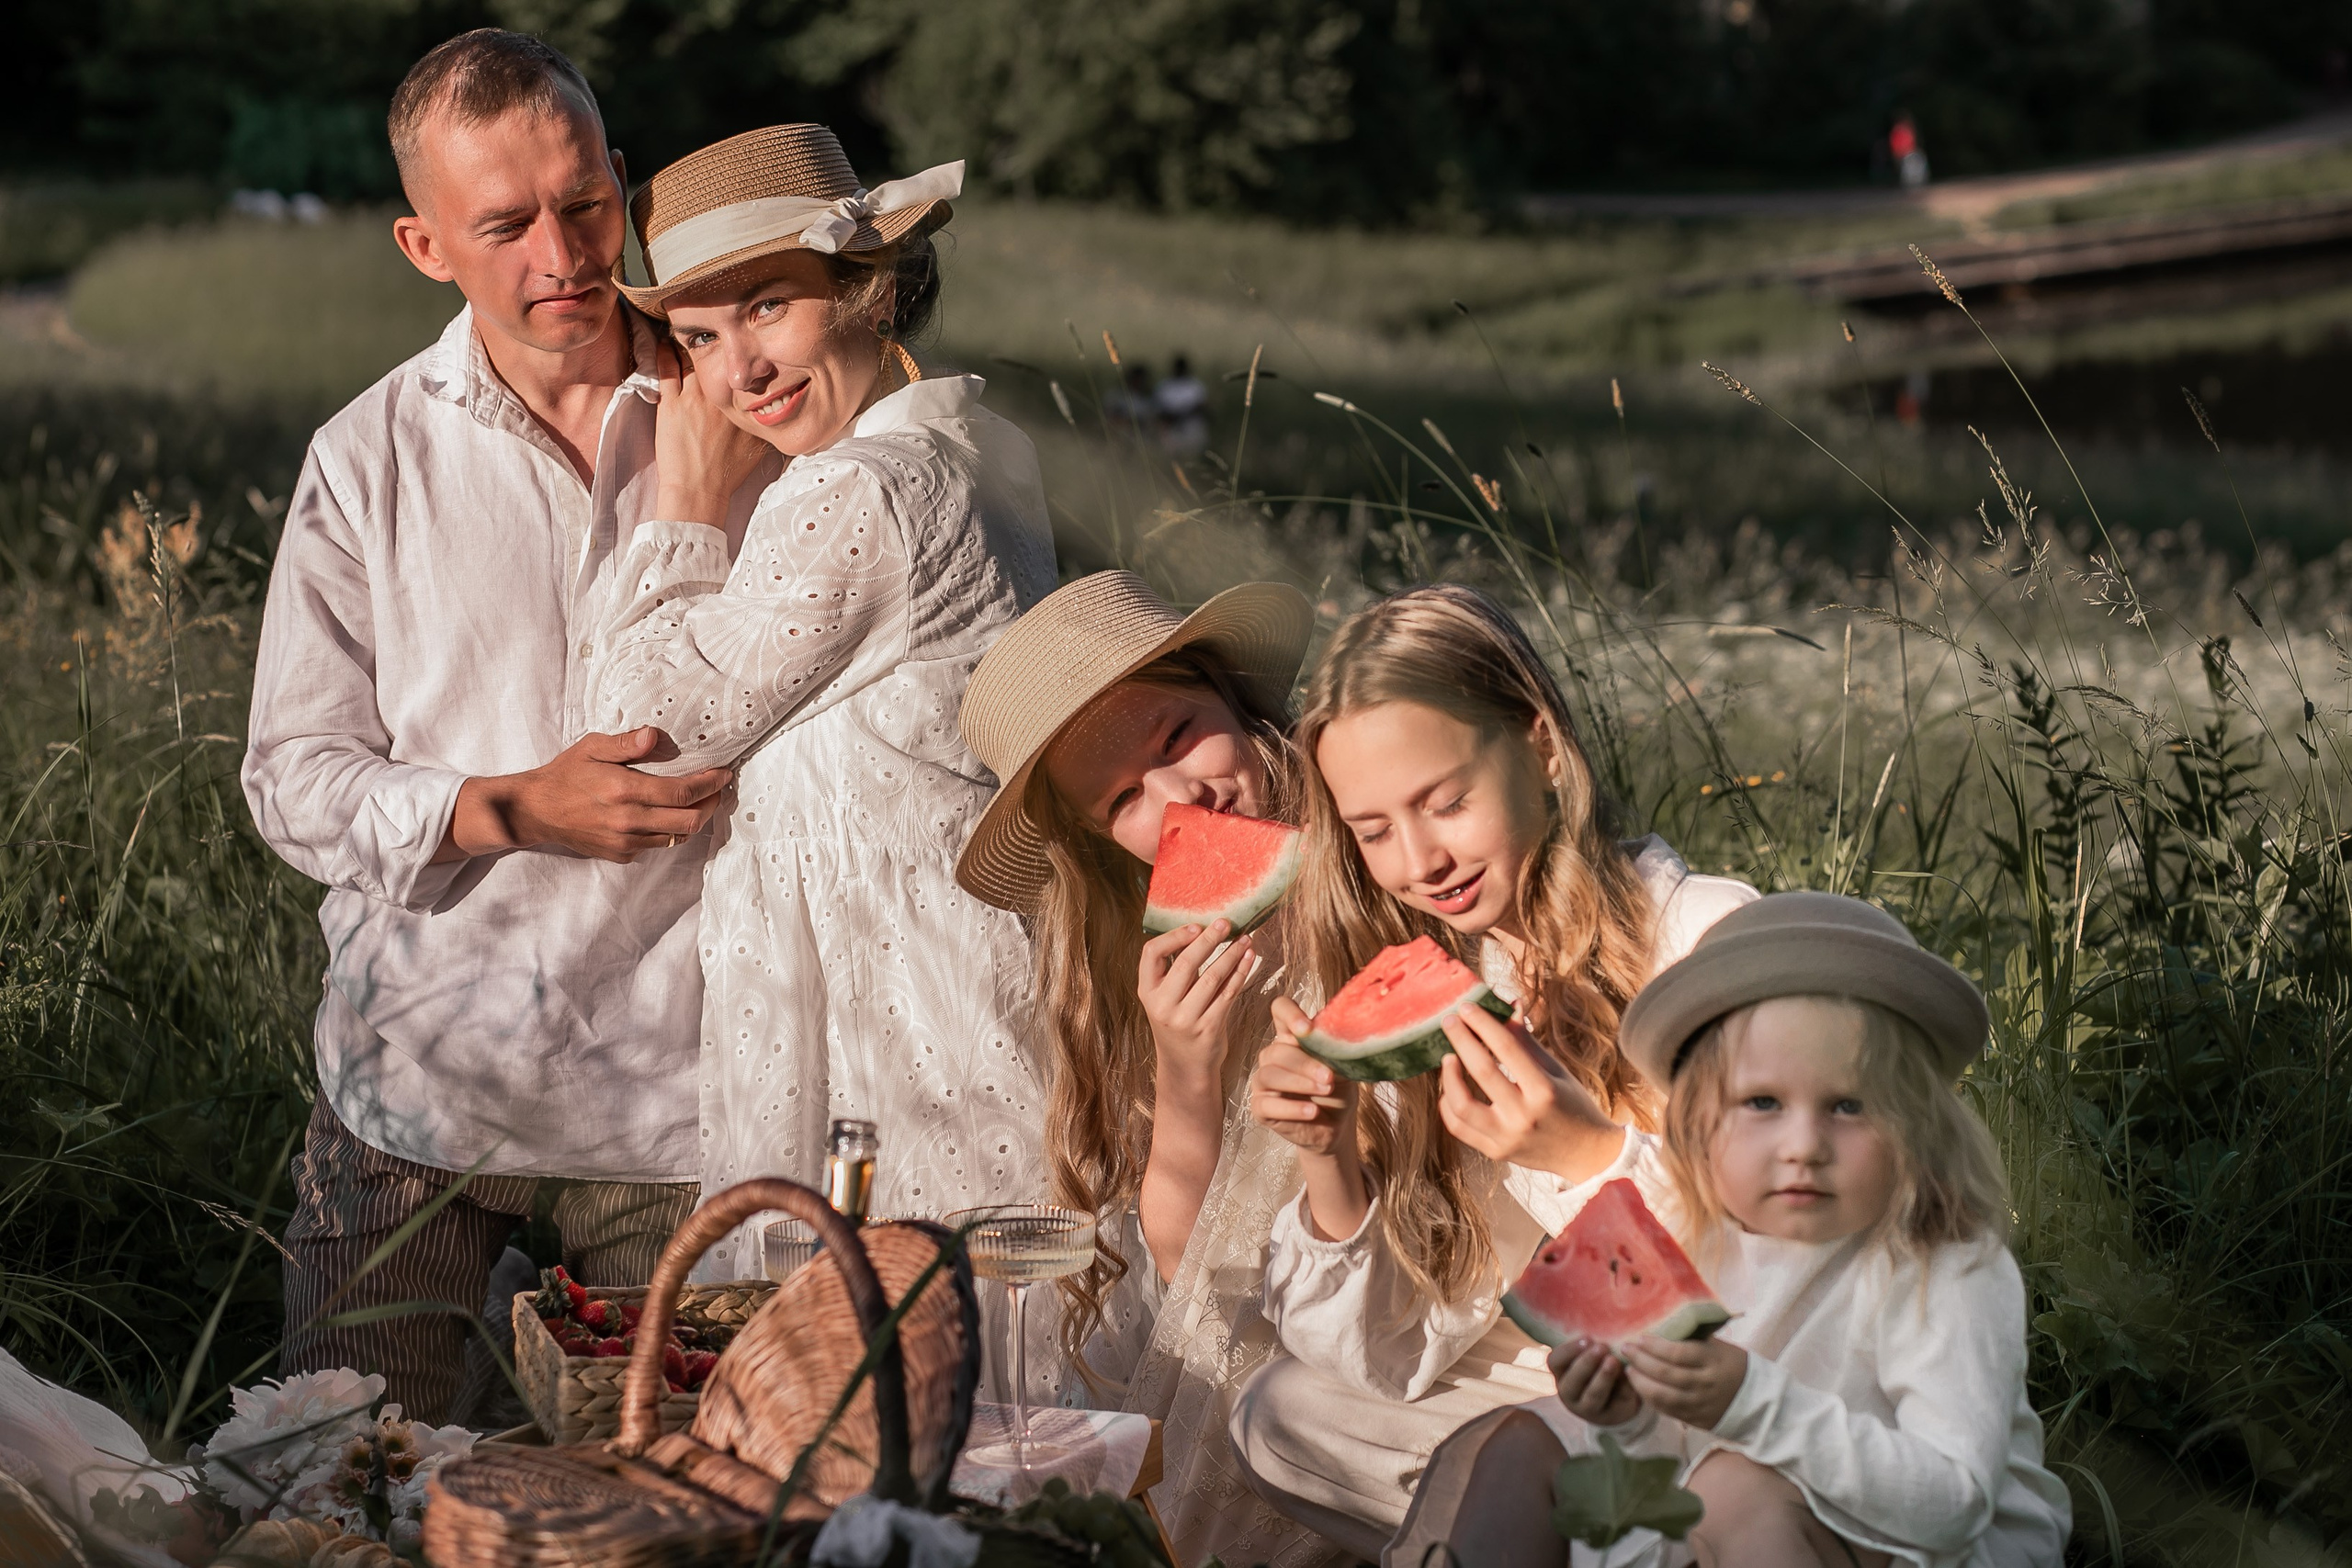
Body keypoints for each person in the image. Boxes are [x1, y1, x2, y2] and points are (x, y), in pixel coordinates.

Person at [243, 28, 775, 1426]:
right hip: (417, 1075)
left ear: (624, 182)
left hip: (680, 1086)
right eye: (507, 223)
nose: (564, 252)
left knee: (683, 1495)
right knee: (343, 1474)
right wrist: (508, 805)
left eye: (587, 201)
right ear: (427, 245)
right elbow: (292, 780)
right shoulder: (365, 459)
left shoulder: (748, 408)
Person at [584, 122, 1057, 1282]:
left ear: (869, 288)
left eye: (765, 308)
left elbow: (643, 736)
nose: (737, 372)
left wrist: (686, 506)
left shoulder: (853, 491)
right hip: (961, 956)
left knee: (883, 1347)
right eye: (698, 335)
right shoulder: (981, 441)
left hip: (884, 1013)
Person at [1231, 584, 1757, 1556]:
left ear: (1541, 749)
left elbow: (1786, 1272)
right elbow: (1396, 1356)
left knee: (1502, 1463)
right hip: (1550, 1372)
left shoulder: (1706, 941)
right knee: (1280, 1413)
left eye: (1445, 802)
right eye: (1375, 829)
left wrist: (1581, 1154)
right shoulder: (1447, 981)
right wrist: (1328, 1159)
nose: (1421, 861)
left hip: (1721, 1380)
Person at [1388, 892, 2072, 1567]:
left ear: (1918, 1127)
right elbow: (1685, 1448)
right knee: (1525, 1446)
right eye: (1763, 1102)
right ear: (1699, 1123)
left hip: (1930, 1543)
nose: (1803, 1144)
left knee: (1732, 1489)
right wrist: (1629, 1415)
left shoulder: (1945, 1266)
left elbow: (1953, 1503)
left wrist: (1750, 1402)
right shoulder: (1698, 1235)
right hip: (1753, 1513)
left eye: (1849, 1104)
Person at [954, 570, 1338, 1568]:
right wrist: (1188, 1076)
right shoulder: (1152, 975)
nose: (1178, 804)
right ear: (1095, 840)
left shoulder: (1387, 853)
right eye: (1124, 798)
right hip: (1264, 1326)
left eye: (1175, 737)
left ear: (1234, 696)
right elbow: (1185, 1275)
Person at [1155, 353, 1209, 458]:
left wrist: (1183, 415)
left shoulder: (1195, 386)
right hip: (1171, 431)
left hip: (1192, 430)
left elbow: (1202, 407)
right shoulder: (1165, 386)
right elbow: (1158, 410)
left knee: (1192, 457)